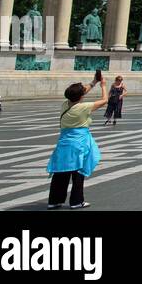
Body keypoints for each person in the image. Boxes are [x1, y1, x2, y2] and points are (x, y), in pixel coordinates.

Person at [46, 73, 106, 209]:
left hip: (64, 143)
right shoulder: (83, 107)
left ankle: (54, 201)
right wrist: (103, 85)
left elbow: (79, 93)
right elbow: (104, 100)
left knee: (61, 172)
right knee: (78, 173)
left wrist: (93, 82)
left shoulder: (65, 105)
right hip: (79, 144)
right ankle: (76, 201)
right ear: (81, 97)